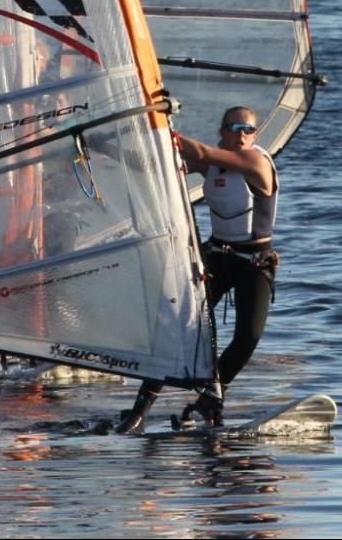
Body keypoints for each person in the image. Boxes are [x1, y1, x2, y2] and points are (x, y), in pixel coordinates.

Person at [117, 105, 280, 433]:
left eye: (247, 129)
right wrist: (109, 148)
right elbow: (157, 167)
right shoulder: (212, 166)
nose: (240, 135)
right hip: (217, 257)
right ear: (222, 131)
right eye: (233, 128)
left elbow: (202, 150)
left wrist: (166, 130)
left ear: (255, 135)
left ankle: (210, 396)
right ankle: (140, 410)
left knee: (248, 337)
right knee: (179, 330)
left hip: (254, 263)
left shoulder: (256, 162)